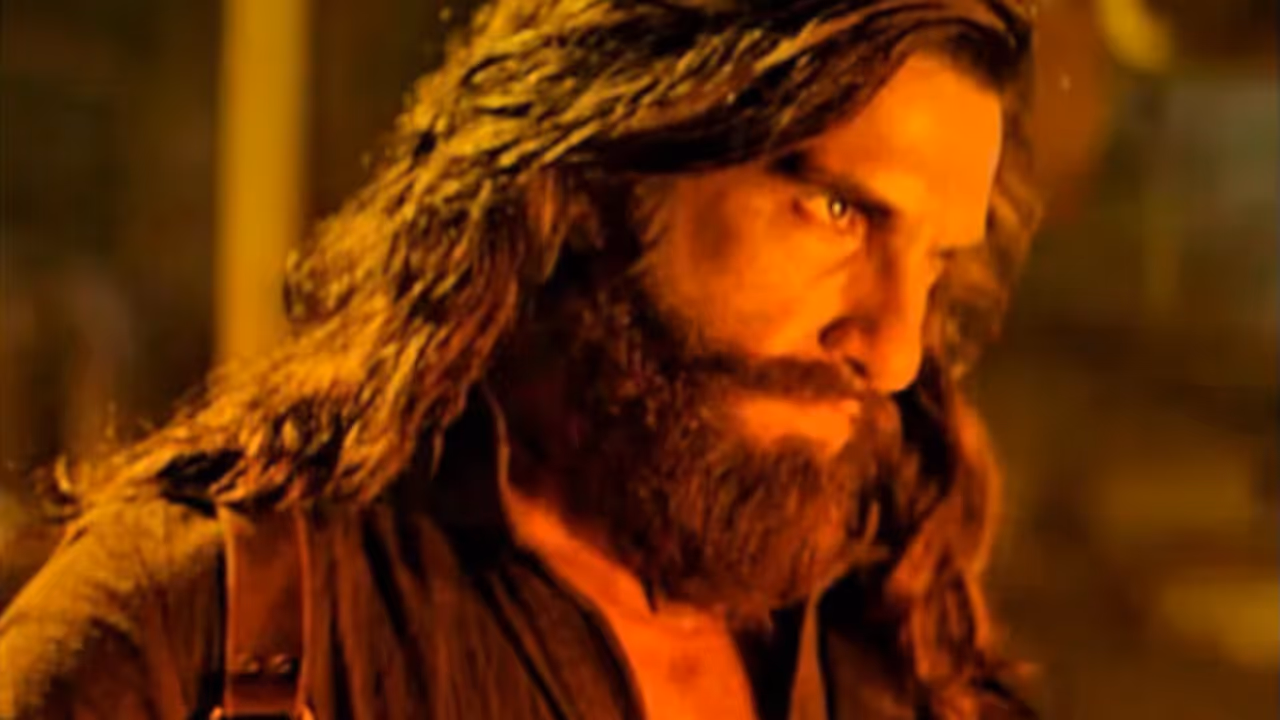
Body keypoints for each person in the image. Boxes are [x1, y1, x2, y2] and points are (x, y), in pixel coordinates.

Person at [0, 0, 1043, 717]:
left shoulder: (902, 670)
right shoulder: (204, 631)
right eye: (835, 211)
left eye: (935, 260)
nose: (892, 352)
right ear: (594, 178)